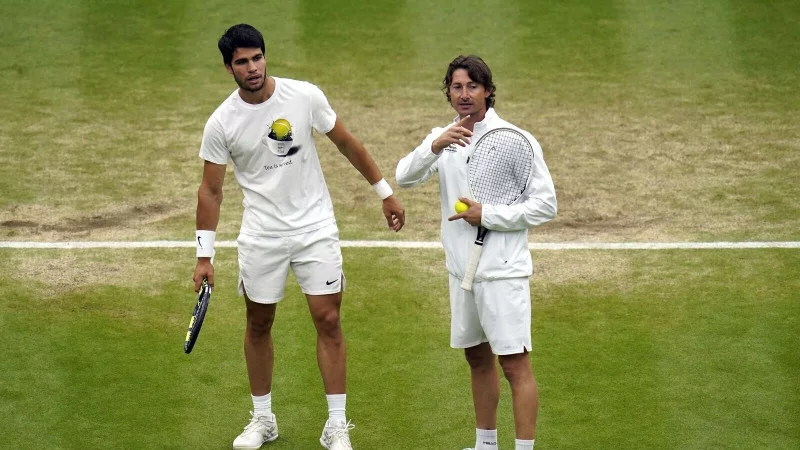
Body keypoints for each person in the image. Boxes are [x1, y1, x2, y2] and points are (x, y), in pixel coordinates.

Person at [192, 24, 405, 450]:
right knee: (258, 323)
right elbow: (210, 191)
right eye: (242, 62)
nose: (252, 68)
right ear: (228, 68)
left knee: (328, 320)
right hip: (262, 235)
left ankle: (336, 425)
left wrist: (385, 193)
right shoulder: (221, 122)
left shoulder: (305, 96)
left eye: (257, 58)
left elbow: (347, 143)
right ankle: (263, 419)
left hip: (315, 228)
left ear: (265, 56)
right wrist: (204, 256)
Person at [395, 55, 556, 450]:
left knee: (514, 365)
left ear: (488, 91)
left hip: (502, 272)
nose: (464, 94)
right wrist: (435, 145)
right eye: (457, 87)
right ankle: (486, 445)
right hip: (461, 271)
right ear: (448, 92)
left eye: (472, 86)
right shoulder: (443, 139)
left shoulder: (514, 139)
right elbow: (404, 177)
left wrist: (489, 215)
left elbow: (545, 205)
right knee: (477, 359)